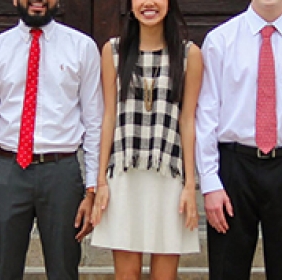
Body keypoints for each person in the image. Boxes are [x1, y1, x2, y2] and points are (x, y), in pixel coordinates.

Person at [196, 0, 282, 278]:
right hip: (233, 167)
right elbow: (206, 113)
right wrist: (209, 180)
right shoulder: (220, 40)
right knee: (226, 271)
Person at [0, 0, 103, 278]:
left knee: (64, 270)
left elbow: (94, 123)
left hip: (61, 172)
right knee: (4, 270)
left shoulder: (82, 47)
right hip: (7, 172)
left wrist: (92, 189)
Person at [89, 0, 202, 278]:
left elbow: (188, 121)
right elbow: (109, 117)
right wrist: (101, 181)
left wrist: (190, 185)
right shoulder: (113, 50)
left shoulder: (189, 54)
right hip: (125, 175)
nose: (148, 3)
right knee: (126, 273)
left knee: (165, 274)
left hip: (168, 176)